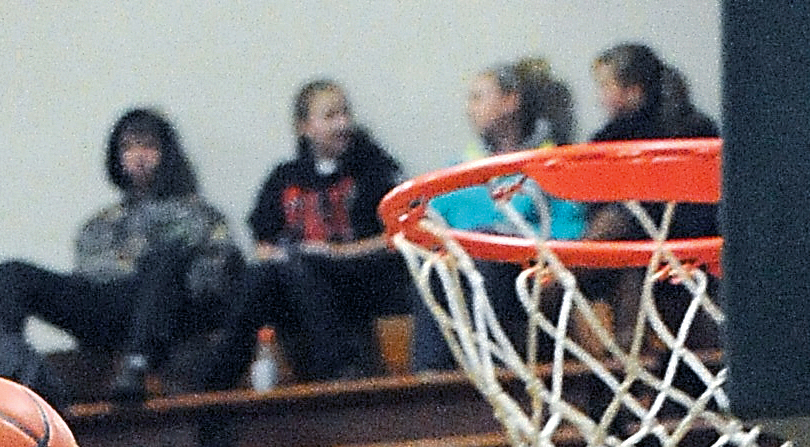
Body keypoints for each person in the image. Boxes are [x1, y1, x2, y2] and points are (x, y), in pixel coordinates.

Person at [0, 109, 238, 403]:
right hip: (110, 307)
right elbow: (92, 271)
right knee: (12, 274)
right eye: (129, 147)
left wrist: (154, 268)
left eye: (148, 146)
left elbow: (214, 276)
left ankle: (136, 366)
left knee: (165, 259)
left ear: (166, 153)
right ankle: (4, 373)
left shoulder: (200, 215)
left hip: (169, 314)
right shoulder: (100, 222)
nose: (138, 156)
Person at [232, 84, 409, 385]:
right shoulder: (284, 177)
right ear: (304, 127)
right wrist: (290, 256)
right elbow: (262, 244)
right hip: (297, 281)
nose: (343, 124)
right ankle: (221, 383)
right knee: (262, 277)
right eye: (330, 116)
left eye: (345, 113)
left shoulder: (374, 171)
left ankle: (341, 367)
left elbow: (398, 235)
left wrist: (336, 253)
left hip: (359, 273)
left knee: (302, 267)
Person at [409, 66, 583, 369]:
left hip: (524, 268)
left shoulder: (552, 162)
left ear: (510, 101)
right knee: (431, 267)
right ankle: (429, 379)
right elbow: (431, 219)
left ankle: (489, 370)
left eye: (478, 97)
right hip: (463, 262)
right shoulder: (461, 168)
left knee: (487, 258)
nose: (469, 108)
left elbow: (570, 229)